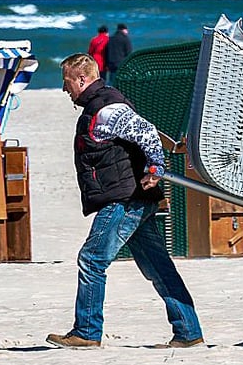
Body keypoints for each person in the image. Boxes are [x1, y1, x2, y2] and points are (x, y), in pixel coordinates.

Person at [46, 54, 204, 349]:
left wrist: (155, 168)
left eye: (66, 81)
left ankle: (87, 332)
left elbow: (146, 132)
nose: (64, 88)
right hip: (134, 198)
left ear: (82, 79)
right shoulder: (99, 104)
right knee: (158, 267)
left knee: (92, 259)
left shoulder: (106, 107)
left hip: (124, 199)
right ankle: (188, 331)